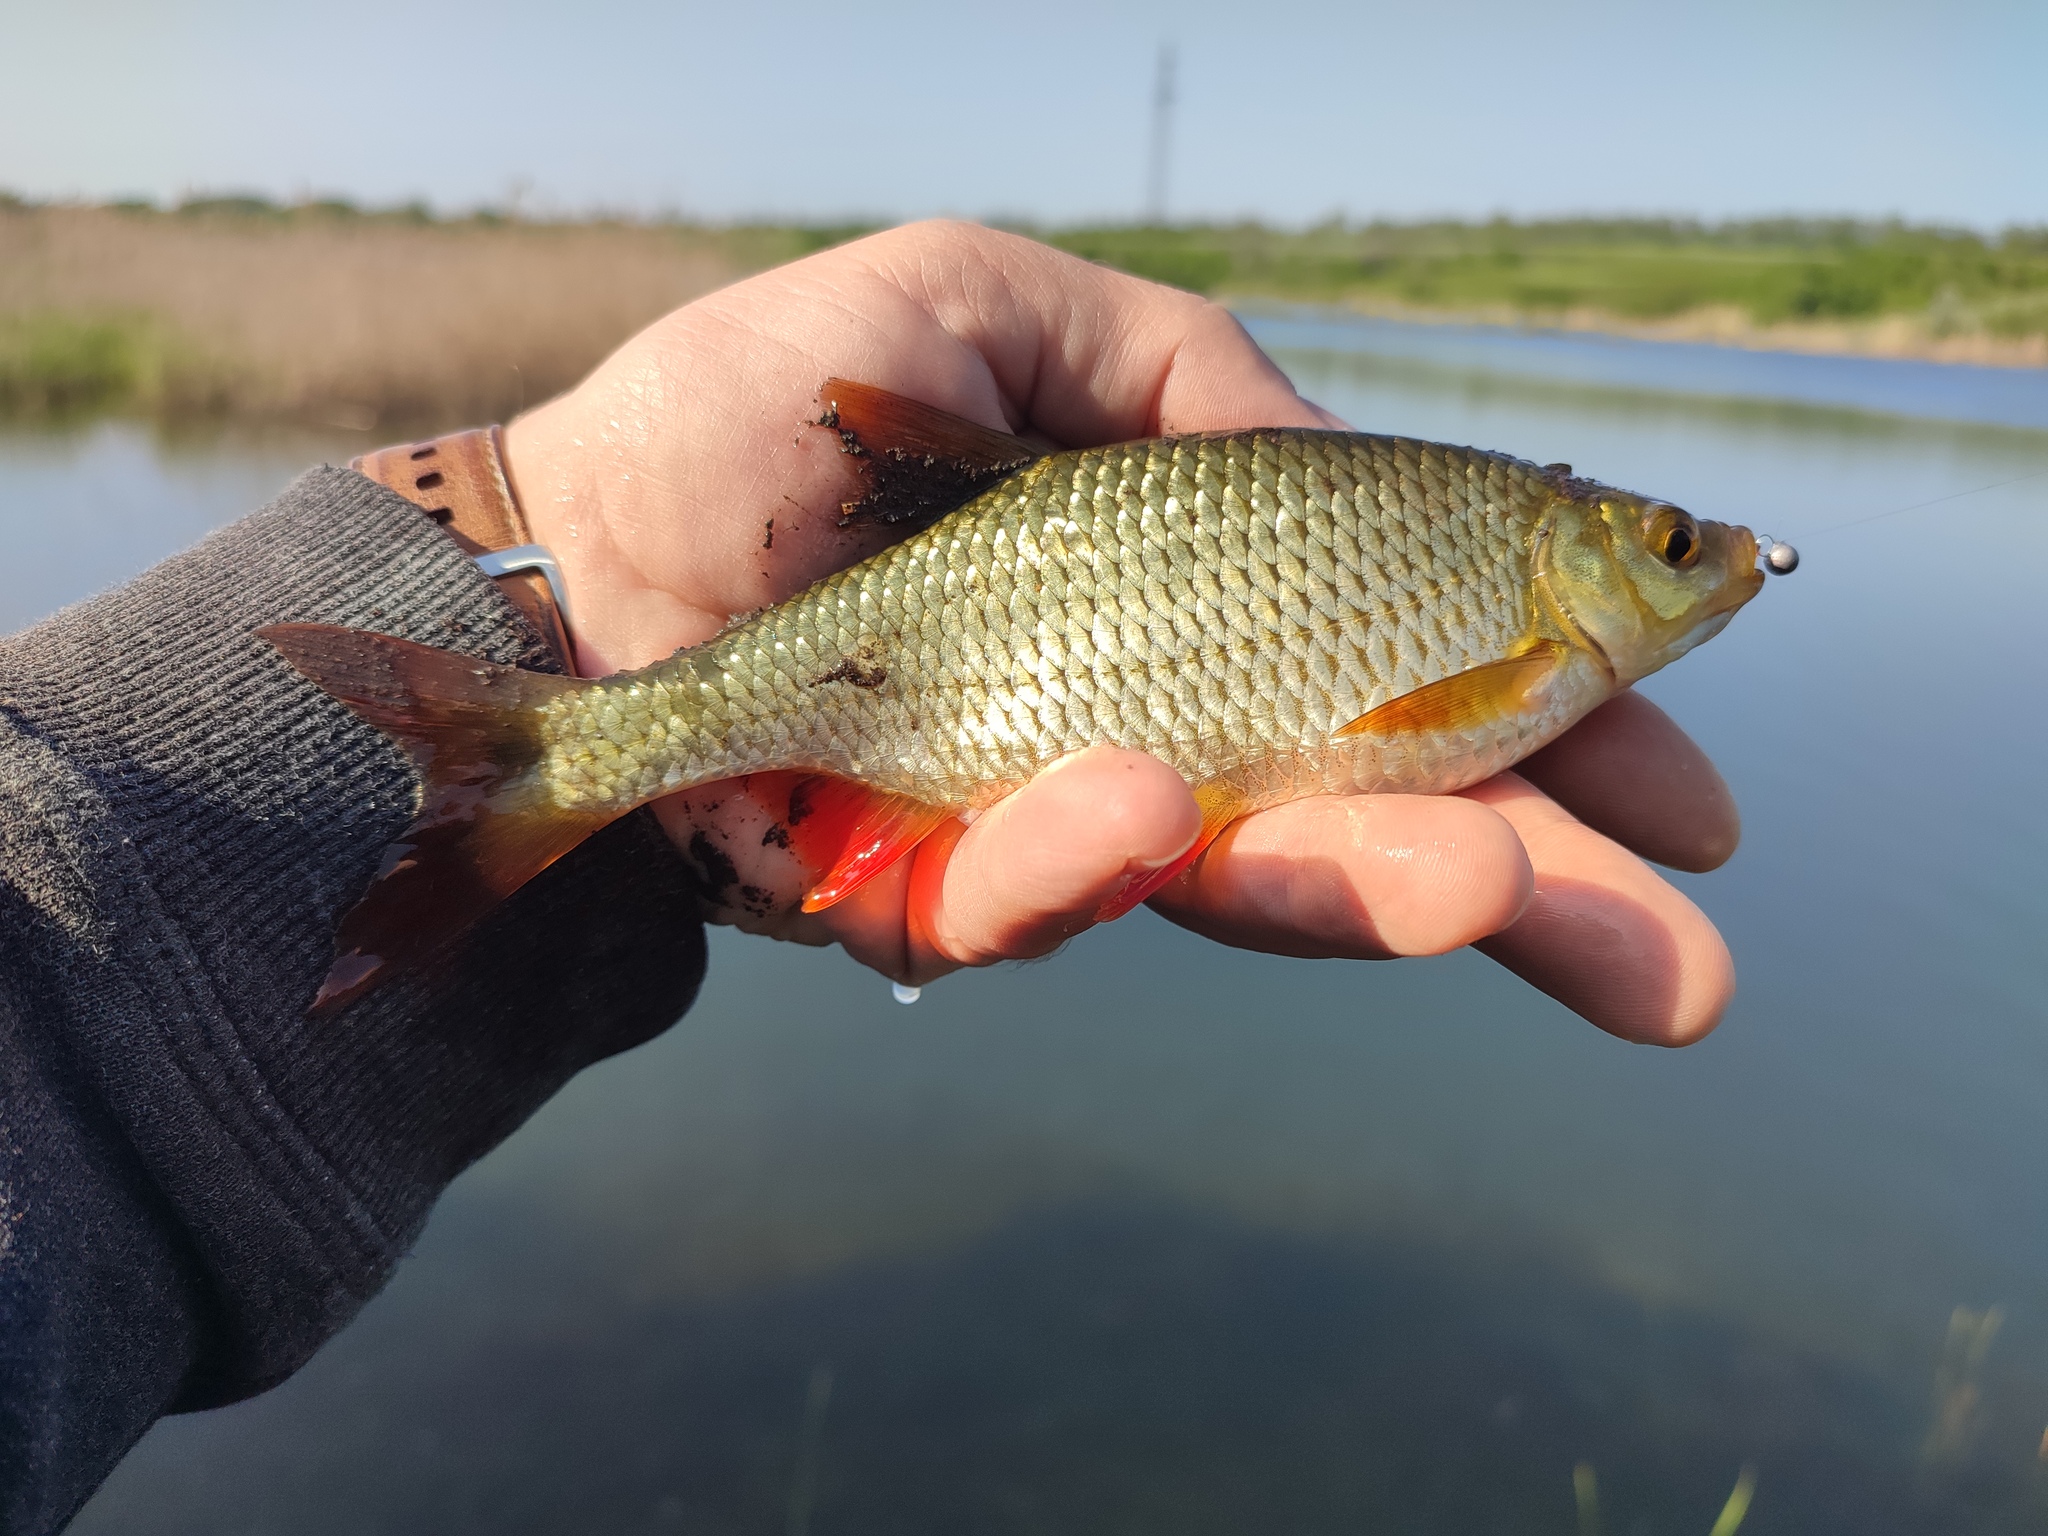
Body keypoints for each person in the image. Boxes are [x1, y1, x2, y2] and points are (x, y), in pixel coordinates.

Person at [0, 222, 1739, 1531]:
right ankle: (543, 756)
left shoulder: (1488, 567)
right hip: (938, 652)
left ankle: (543, 752)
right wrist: (561, 568)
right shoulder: (1520, 593)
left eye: (1686, 548)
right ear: (1575, 557)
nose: (1706, 565)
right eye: (1672, 548)